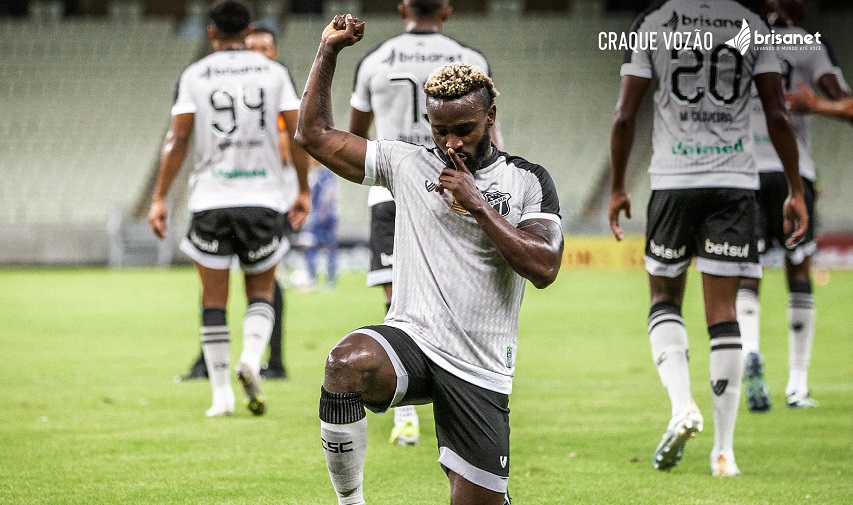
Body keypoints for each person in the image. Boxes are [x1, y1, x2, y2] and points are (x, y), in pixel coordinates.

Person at [295, 15, 563, 505]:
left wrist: (478, 205)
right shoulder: (406, 161)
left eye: (464, 129)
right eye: (441, 130)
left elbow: (544, 267)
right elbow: (312, 135)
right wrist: (328, 51)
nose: (451, 143)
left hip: (479, 366)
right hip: (414, 340)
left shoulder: (527, 181)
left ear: (491, 115)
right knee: (344, 363)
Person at [609, 0, 808, 476]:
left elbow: (623, 116)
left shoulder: (653, 24)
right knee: (724, 314)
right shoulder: (748, 26)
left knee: (663, 299)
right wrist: (796, 189)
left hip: (674, 181)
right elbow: (778, 115)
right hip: (734, 184)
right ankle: (724, 453)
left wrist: (617, 185)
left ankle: (682, 407)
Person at [348, 0, 504, 447]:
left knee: (397, 303)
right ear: (449, 9)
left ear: (402, 9)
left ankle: (406, 413)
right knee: (455, 298)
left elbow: (356, 136)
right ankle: (460, 397)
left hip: (393, 190)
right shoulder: (470, 59)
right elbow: (492, 138)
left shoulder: (376, 59)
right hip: (459, 187)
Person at [148, 0, 310, 417]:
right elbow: (296, 132)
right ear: (249, 29)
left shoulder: (195, 75)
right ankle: (252, 360)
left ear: (211, 33)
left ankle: (221, 396)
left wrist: (160, 197)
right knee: (261, 292)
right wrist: (303, 189)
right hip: (262, 199)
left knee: (213, 298)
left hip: (210, 200)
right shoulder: (274, 73)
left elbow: (178, 140)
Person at [738, 0, 851, 412]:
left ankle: (750, 349)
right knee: (798, 268)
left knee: (747, 269)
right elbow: (850, 104)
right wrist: (815, 105)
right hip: (791, 170)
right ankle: (797, 386)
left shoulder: (739, 39)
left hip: (743, 170)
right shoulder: (808, 44)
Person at [175, 25, 302, 383]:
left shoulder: (278, 90)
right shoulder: (243, 86)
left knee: (264, 283)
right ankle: (211, 361)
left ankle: (272, 359)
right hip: (234, 195)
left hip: (273, 199)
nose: (258, 53)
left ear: (275, 53)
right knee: (219, 281)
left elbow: (297, 144)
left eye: (264, 47)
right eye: (252, 46)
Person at [303, 164, 340, 289]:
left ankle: (324, 279)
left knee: (326, 246)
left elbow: (329, 192)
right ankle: (319, 278)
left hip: (324, 216)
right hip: (321, 216)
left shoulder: (325, 173)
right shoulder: (317, 173)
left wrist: (323, 212)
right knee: (316, 245)